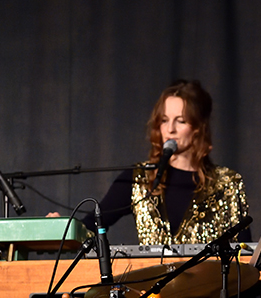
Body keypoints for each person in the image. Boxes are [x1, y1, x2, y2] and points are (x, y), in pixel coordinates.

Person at [89, 79, 249, 244]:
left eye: (181, 121)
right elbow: (91, 224)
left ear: (198, 127)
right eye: (164, 120)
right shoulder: (140, 178)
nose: (170, 129)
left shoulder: (226, 183)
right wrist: (71, 232)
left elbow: (244, 249)